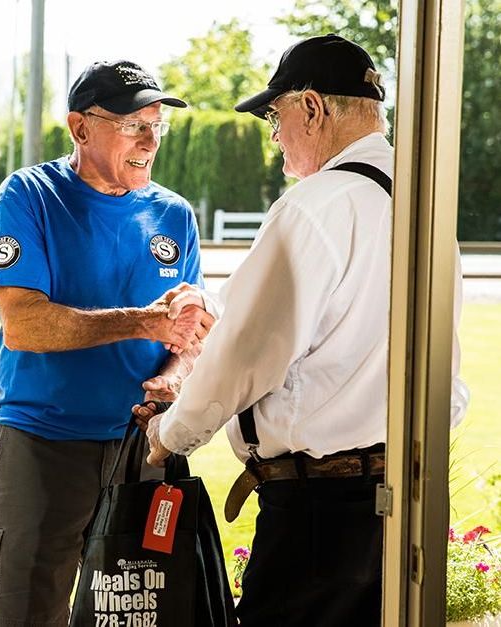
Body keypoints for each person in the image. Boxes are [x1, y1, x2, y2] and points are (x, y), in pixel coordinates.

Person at [134, 34, 469, 627]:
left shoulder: (315, 204)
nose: (274, 138)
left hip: (320, 516)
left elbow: (242, 358)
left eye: (275, 117)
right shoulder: (421, 199)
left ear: (311, 108)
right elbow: (347, 325)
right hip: (402, 500)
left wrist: (170, 435)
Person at [0, 59, 214, 626]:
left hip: (144, 450)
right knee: (22, 615)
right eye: (135, 124)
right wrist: (142, 321)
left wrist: (175, 372)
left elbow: (187, 334)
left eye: (158, 126)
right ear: (81, 127)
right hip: (43, 447)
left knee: (138, 619)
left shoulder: (173, 215)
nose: (151, 140)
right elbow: (24, 324)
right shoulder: (30, 195)